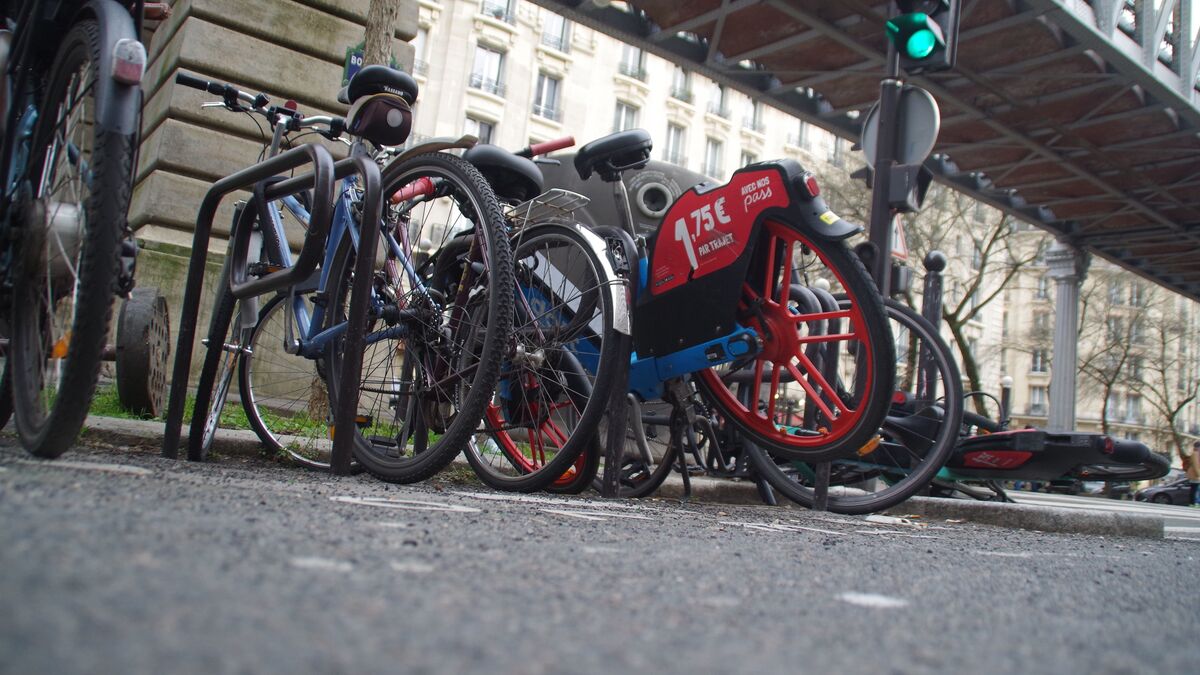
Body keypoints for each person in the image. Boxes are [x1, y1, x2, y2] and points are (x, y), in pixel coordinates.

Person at [1187, 440, 1200, 507]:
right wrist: (1198, 474)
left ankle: (1194, 502)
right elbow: (1196, 465)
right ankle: (1193, 503)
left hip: (1196, 475)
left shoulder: (1197, 453)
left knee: (1195, 489)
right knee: (1194, 489)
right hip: (1195, 475)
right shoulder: (1195, 454)